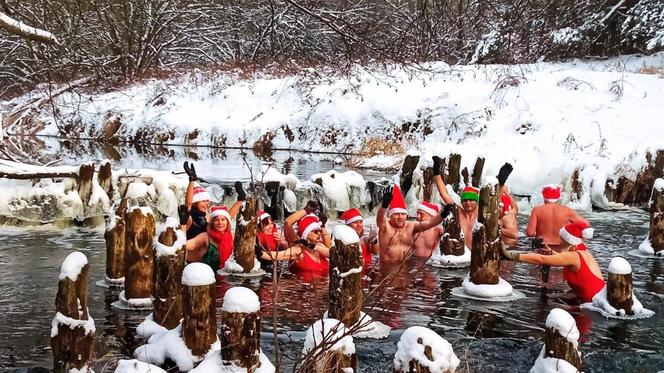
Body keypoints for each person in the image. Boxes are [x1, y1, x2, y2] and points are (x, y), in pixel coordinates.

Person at [502, 221, 604, 303]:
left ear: (567, 240)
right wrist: (551, 252)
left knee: (553, 305)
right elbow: (562, 258)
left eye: (561, 238)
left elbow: (540, 259)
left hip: (592, 301)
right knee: (553, 298)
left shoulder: (572, 256)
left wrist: (511, 255)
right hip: (596, 296)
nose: (559, 241)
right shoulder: (581, 252)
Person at [376, 184, 451, 263]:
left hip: (406, 267)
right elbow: (380, 217)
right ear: (390, 216)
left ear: (406, 215)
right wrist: (384, 206)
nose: (400, 217)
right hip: (387, 267)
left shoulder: (411, 226)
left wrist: (443, 213)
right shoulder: (385, 226)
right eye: (396, 214)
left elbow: (430, 223)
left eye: (403, 214)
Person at [181, 161, 244, 239]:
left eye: (207, 201)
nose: (207, 204)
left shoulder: (205, 218)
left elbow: (227, 217)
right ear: (195, 202)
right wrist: (192, 180)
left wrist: (240, 200)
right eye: (203, 201)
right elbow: (188, 205)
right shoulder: (190, 218)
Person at [526, 184, 589, 251]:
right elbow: (586, 224)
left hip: (542, 247)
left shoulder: (537, 210)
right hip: (561, 249)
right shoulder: (567, 211)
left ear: (544, 196)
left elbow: (530, 233)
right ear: (558, 197)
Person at [179, 205, 235, 270]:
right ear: (212, 223)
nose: (220, 222)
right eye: (216, 220)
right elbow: (183, 246)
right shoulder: (205, 237)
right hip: (206, 277)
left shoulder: (233, 236)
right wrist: (183, 224)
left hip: (227, 277)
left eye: (223, 220)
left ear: (227, 222)